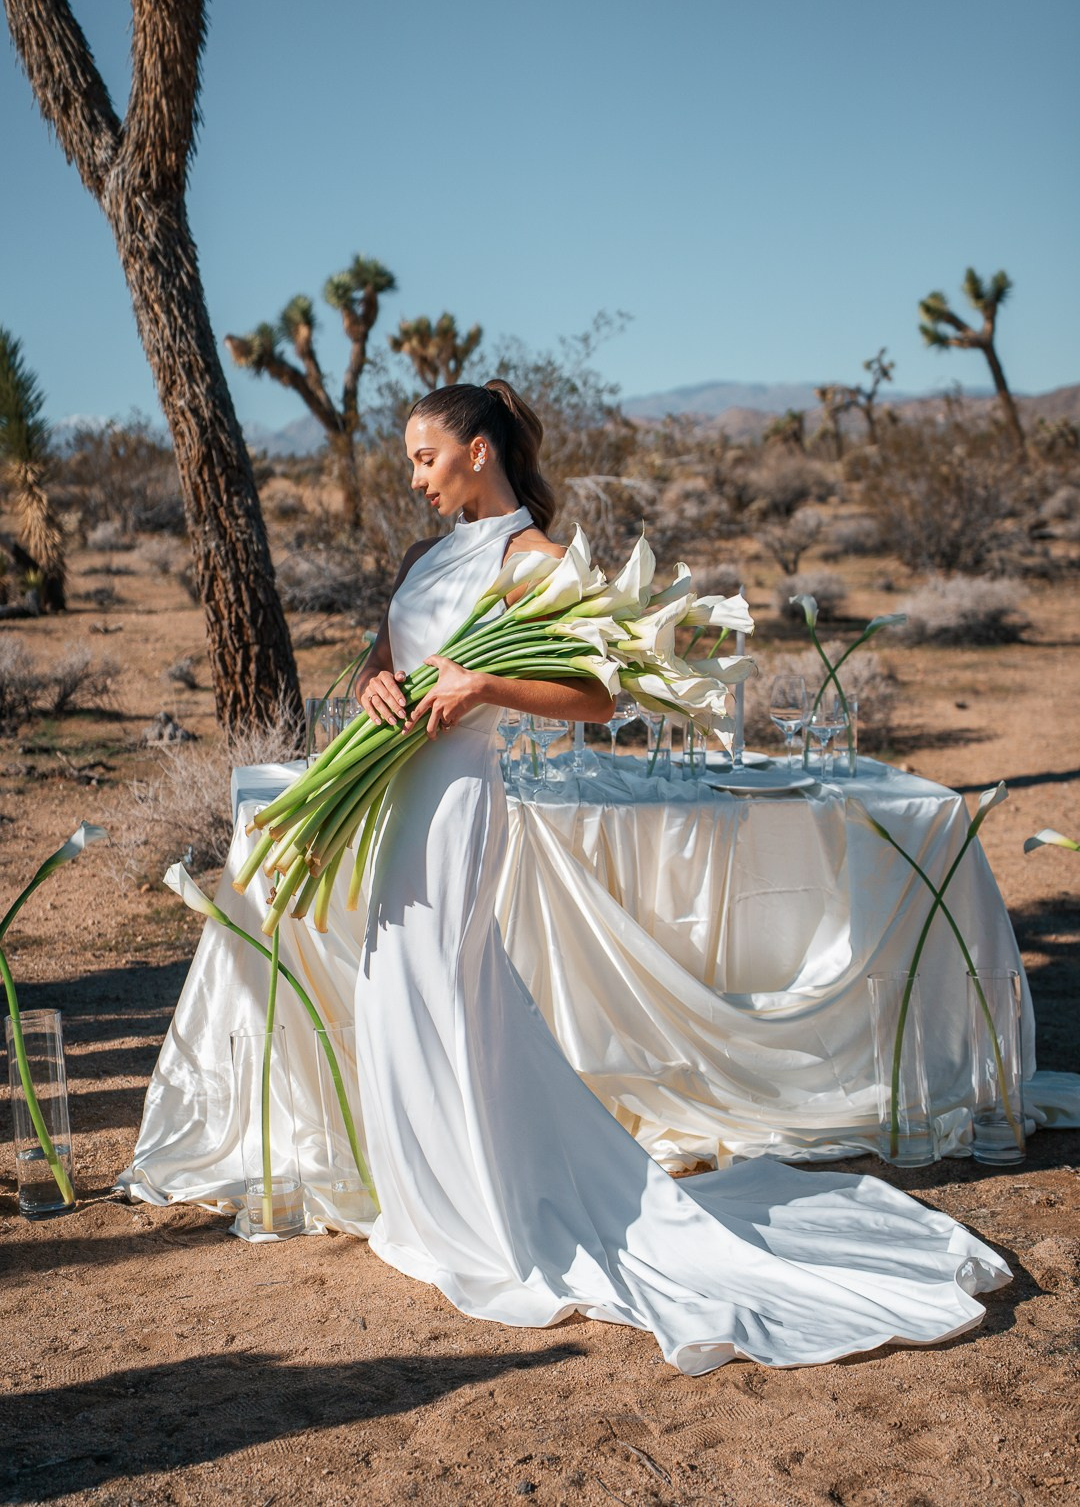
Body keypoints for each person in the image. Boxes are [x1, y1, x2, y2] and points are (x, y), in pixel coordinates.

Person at [346, 378, 1009, 1375]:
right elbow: (376, 661)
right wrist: (375, 680)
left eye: (425, 456)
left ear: (478, 451)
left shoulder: (534, 560)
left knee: (447, 991)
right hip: (398, 803)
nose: (415, 476)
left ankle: (484, 1211)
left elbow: (597, 697)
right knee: (392, 990)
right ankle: (428, 1199)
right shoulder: (421, 555)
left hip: (460, 806)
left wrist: (482, 683)